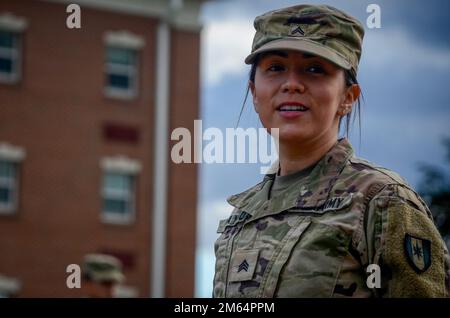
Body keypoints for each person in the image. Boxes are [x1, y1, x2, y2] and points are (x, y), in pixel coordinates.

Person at [213, 4, 450, 297]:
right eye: (275, 67)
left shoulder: (382, 202)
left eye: (315, 69)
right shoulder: (242, 215)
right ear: (254, 93)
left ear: (348, 98)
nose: (292, 84)